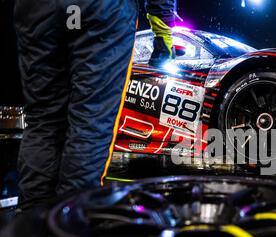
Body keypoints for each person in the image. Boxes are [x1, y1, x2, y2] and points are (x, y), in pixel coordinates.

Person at [14, 0, 175, 210]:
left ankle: (31, 224)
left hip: (36, 9)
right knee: (90, 123)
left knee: (42, 120)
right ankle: (71, 225)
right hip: (100, 9)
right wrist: (162, 26)